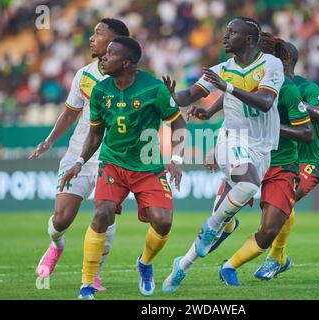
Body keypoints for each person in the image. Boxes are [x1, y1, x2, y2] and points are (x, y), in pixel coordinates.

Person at [162, 17, 284, 292]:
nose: (225, 36)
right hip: (232, 138)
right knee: (249, 184)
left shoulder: (270, 65)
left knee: (222, 217)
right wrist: (170, 96)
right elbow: (188, 95)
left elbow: (266, 102)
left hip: (263, 146)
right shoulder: (220, 70)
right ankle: (211, 228)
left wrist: (226, 88)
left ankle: (181, 266)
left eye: (232, 32)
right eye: (226, 31)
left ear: (249, 39)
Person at [59, 36, 187, 299]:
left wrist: (176, 160)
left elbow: (179, 124)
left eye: (110, 54)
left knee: (163, 222)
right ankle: (86, 285)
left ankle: (145, 263)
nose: (103, 58)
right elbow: (95, 134)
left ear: (127, 63)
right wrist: (80, 162)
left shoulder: (154, 89)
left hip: (147, 167)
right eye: (104, 54)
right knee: (102, 214)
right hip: (113, 163)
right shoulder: (100, 90)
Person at [185, 34, 314, 286]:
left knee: (269, 229)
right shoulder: (241, 84)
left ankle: (231, 266)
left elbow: (307, 133)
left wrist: (271, 129)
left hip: (279, 164)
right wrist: (214, 144)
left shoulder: (287, 90)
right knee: (219, 217)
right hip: (245, 157)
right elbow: (234, 113)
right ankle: (228, 227)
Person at [29, 19, 130, 291]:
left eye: (98, 33)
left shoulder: (131, 78)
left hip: (113, 158)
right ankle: (56, 245)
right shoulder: (84, 74)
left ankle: (94, 274)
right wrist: (49, 141)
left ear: (115, 42)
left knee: (105, 213)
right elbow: (71, 112)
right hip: (78, 155)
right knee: (61, 218)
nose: (91, 38)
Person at [254, 41, 319, 280]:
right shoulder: (265, 88)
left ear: (283, 60)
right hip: (278, 159)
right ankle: (280, 259)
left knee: (285, 200)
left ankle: (276, 258)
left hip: (307, 161)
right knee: (272, 207)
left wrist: (297, 103)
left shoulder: (304, 87)